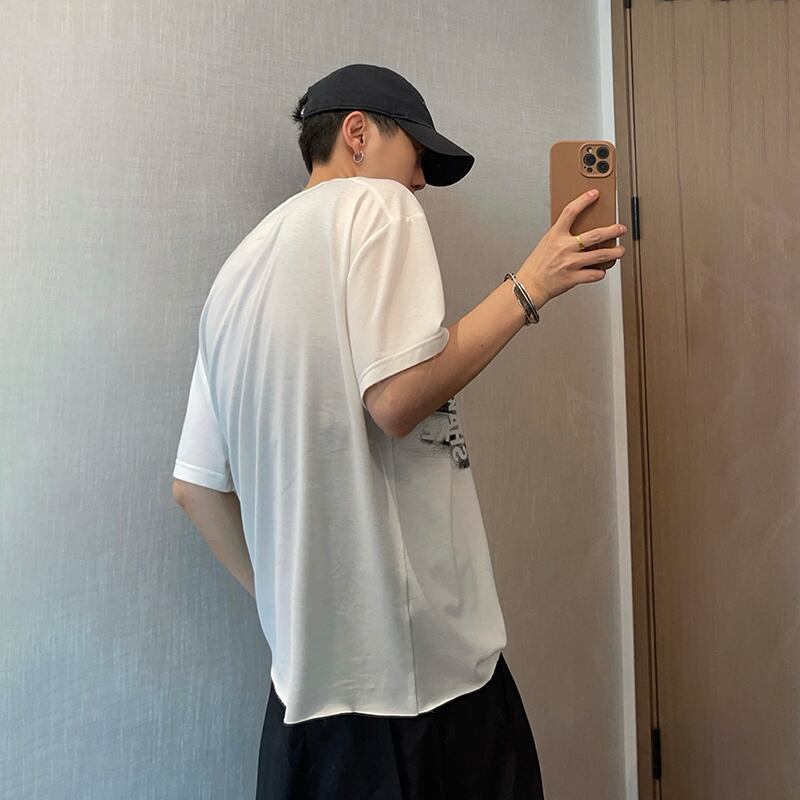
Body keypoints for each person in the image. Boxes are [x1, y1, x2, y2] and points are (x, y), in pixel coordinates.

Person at [172, 63, 625, 799]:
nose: (418, 184)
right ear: (357, 133)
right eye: (417, 155)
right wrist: (532, 284)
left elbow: (194, 488)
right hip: (426, 693)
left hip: (303, 708)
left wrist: (291, 602)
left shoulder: (234, 275)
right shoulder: (375, 204)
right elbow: (396, 398)